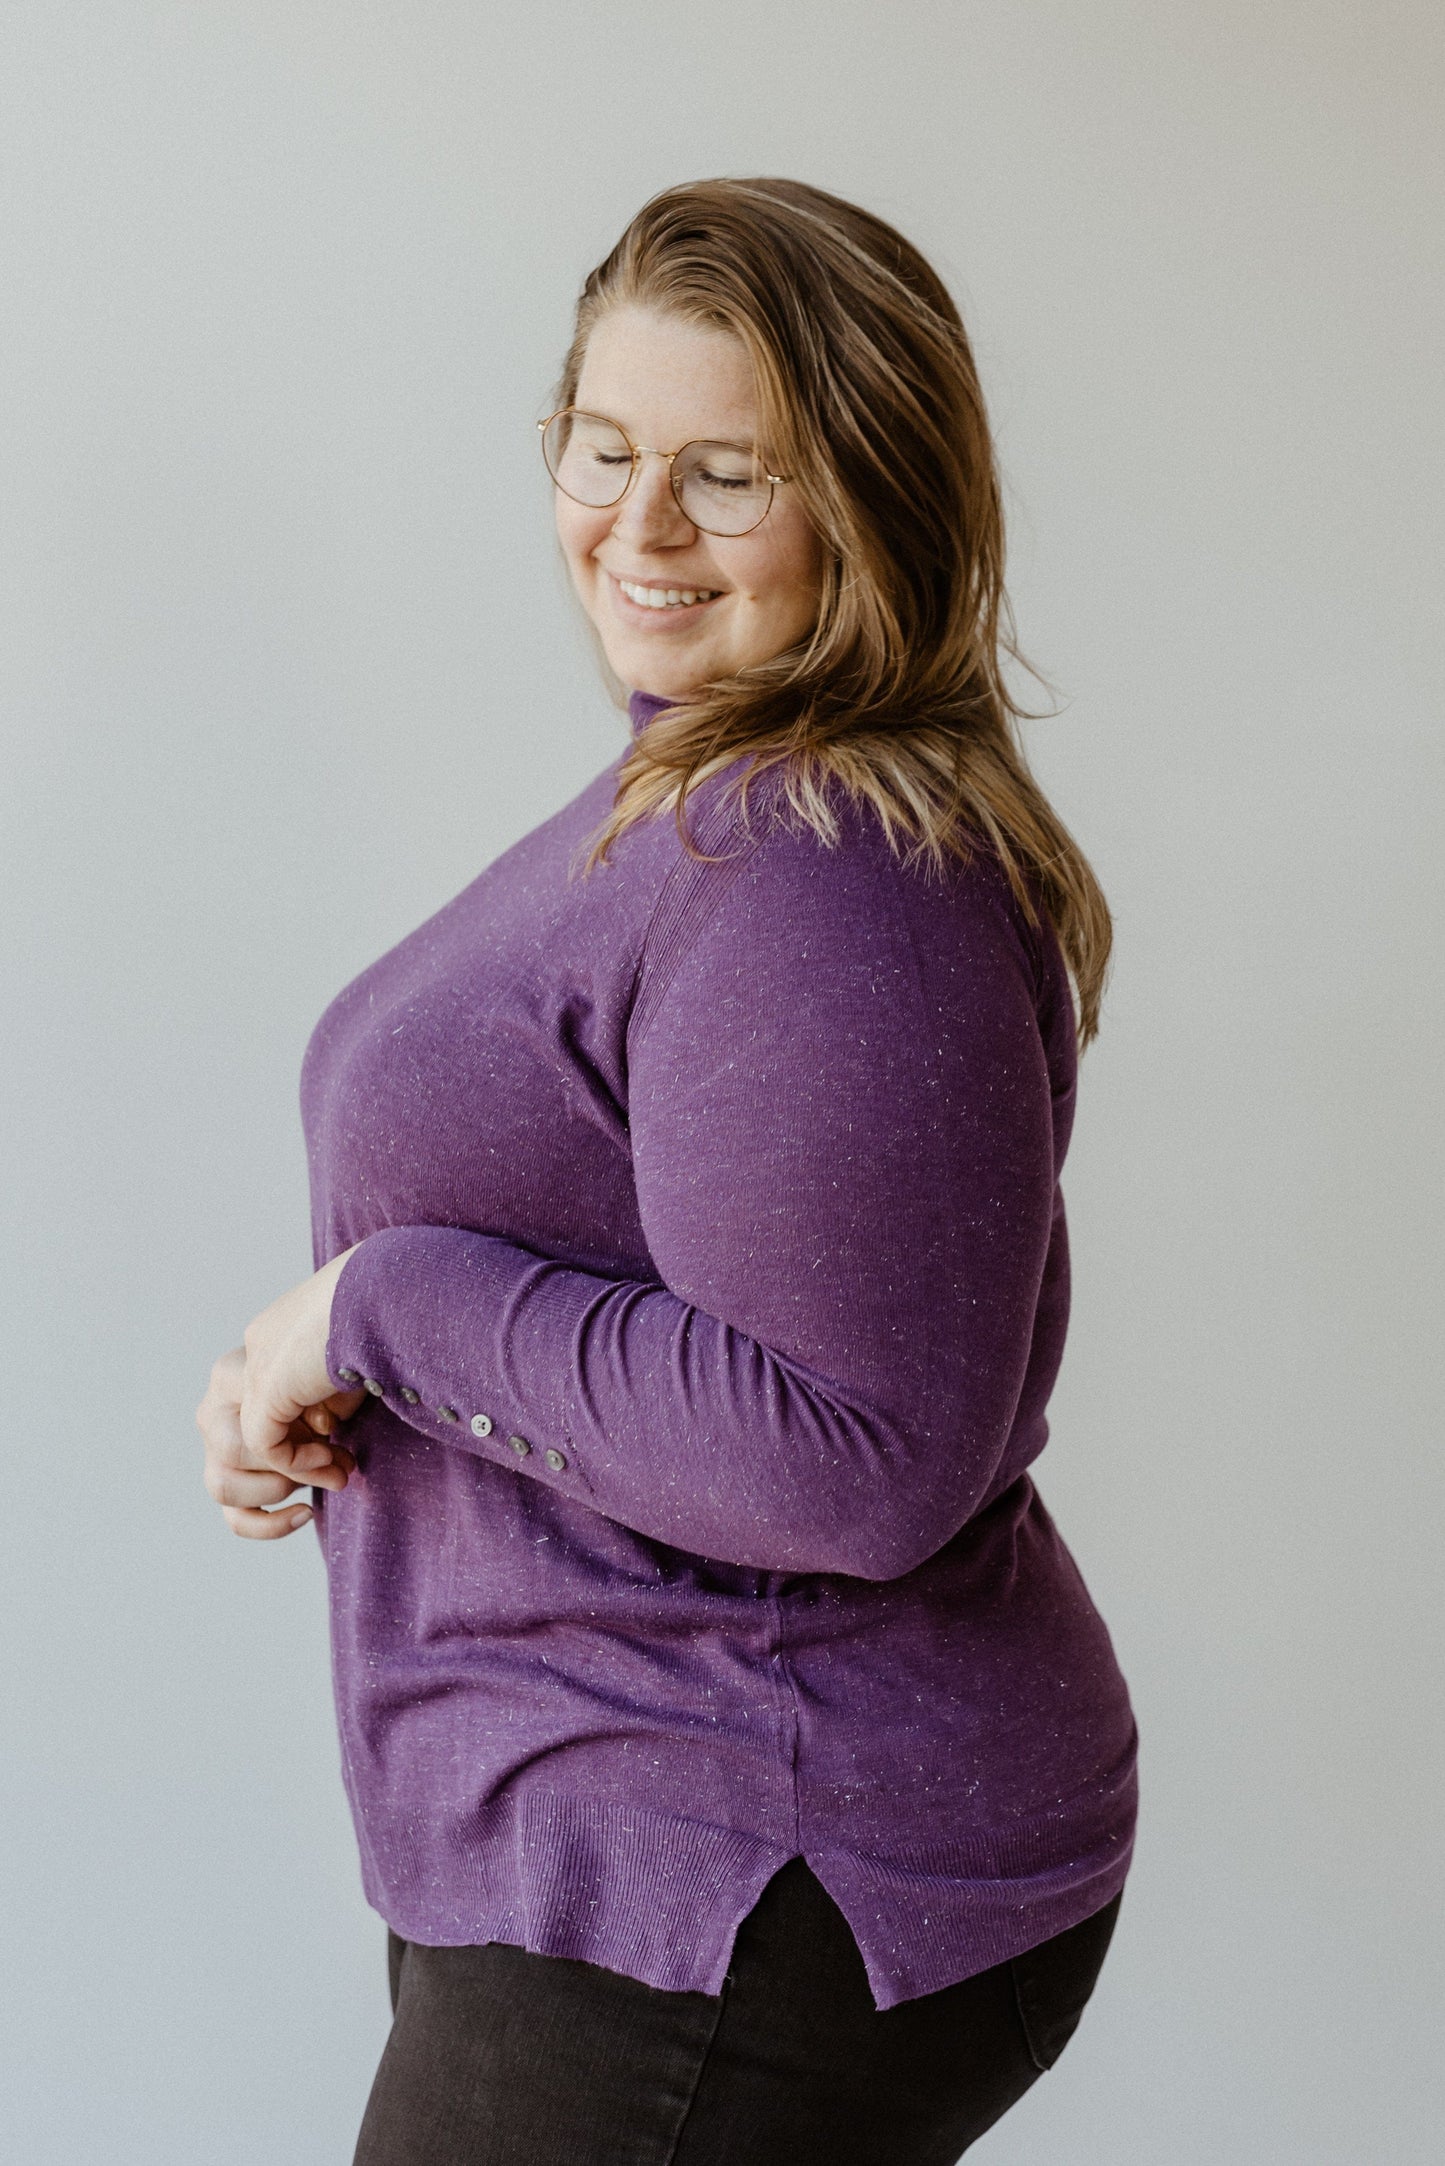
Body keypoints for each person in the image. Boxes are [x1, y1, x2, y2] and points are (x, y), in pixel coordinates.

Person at [196, 176, 1138, 2165]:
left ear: (873, 498)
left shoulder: (820, 868)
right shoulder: (705, 781)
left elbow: (850, 1452)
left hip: (740, 1858)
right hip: (632, 1823)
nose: (635, 529)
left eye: (726, 474)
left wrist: (381, 1310)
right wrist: (335, 1371)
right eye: (604, 450)